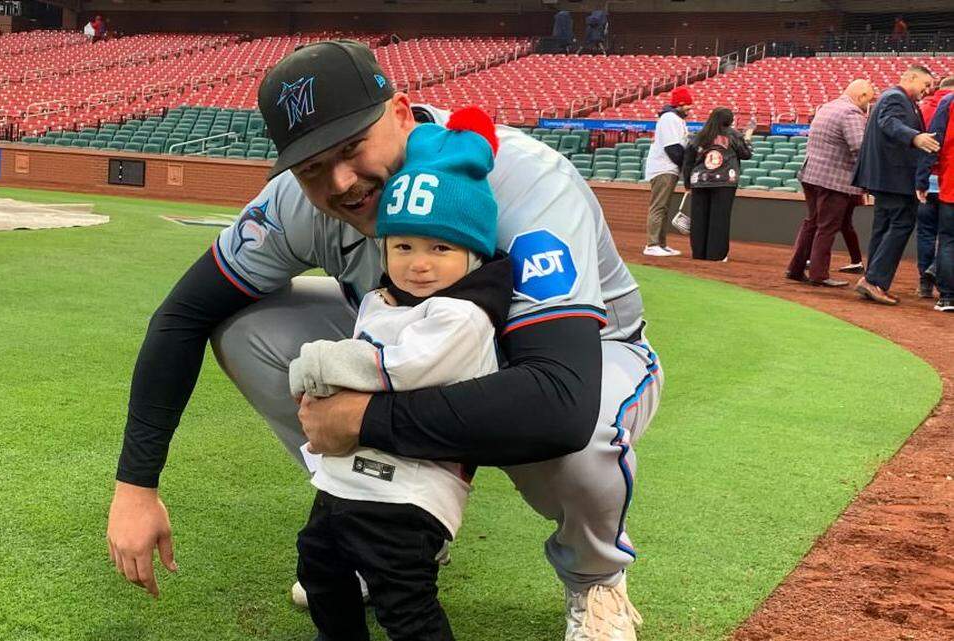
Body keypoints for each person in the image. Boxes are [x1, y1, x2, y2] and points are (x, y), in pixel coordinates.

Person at [106, 40, 663, 641]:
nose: (341, 180)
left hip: (583, 356)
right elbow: (183, 314)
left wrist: (364, 420)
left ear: (400, 112)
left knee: (577, 445)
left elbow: (559, 403)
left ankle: (595, 575)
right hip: (419, 351)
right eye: (313, 165)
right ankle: (385, 520)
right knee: (248, 329)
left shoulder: (523, 181)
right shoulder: (297, 200)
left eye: (352, 147)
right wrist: (136, 485)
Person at [291, 108, 509, 641]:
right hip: (350, 478)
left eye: (441, 248)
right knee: (318, 565)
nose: (419, 264)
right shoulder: (386, 299)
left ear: (472, 252)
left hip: (408, 493)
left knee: (404, 600)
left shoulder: (463, 316)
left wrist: (320, 364)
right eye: (404, 246)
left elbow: (400, 368)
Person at [852, 65, 939, 305]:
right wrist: (915, 136)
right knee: (901, 223)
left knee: (883, 226)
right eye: (925, 84)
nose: (927, 90)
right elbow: (889, 122)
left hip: (889, 178)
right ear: (911, 77)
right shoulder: (895, 97)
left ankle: (873, 280)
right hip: (893, 178)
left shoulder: (900, 99)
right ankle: (874, 280)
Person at [785, 79, 876, 287]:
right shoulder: (851, 113)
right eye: (868, 100)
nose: (867, 105)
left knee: (812, 222)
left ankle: (795, 268)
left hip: (811, 174)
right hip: (834, 180)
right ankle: (819, 274)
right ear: (861, 96)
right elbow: (859, 147)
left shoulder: (827, 106)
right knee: (827, 227)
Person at [681, 108, 753, 261]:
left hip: (700, 181)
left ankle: (699, 253)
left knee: (699, 219)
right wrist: (748, 136)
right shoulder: (733, 135)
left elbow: (688, 161)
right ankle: (716, 254)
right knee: (719, 219)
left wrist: (687, 183)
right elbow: (746, 154)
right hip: (724, 182)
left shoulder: (699, 136)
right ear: (729, 120)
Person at [915, 78, 954, 312]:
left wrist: (921, 179)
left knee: (946, 238)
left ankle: (946, 295)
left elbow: (933, 143)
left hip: (948, 184)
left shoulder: (947, 102)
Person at [643, 86, 693, 257]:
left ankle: (661, 243)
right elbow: (673, 148)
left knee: (663, 207)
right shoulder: (669, 118)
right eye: (687, 105)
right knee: (658, 206)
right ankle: (652, 244)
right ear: (679, 104)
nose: (689, 108)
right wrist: (686, 167)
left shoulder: (676, 119)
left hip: (668, 168)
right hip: (663, 167)